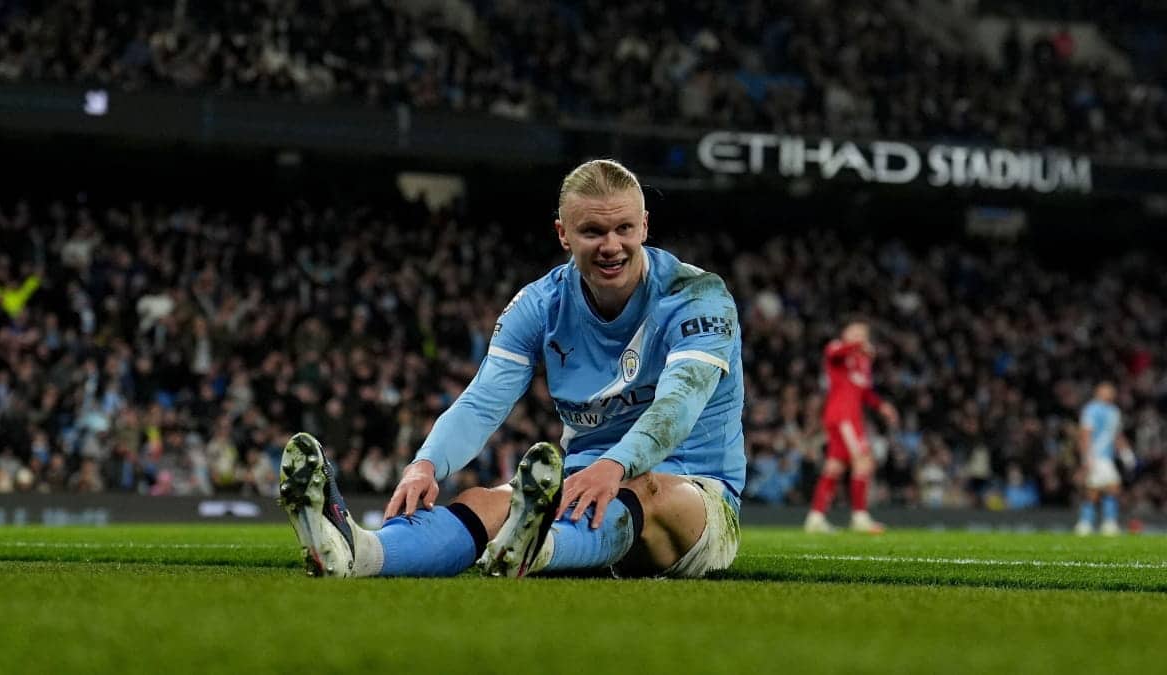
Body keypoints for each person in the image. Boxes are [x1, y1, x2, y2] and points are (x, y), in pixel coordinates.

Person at [278, 158, 746, 578]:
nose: (611, 245)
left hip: (695, 492)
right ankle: (359, 553)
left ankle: (538, 546)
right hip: (582, 479)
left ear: (644, 226)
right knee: (483, 502)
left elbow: (677, 405)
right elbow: (483, 401)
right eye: (592, 232)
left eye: (624, 228)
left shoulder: (697, 297)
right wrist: (425, 464)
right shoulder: (539, 304)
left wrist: (615, 465)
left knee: (646, 491)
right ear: (563, 233)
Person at [804, 321, 898, 533]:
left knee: (834, 467)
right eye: (854, 332)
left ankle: (815, 518)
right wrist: (858, 346)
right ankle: (860, 517)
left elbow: (863, 392)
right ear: (844, 333)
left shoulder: (863, 362)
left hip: (850, 417)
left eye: (863, 333)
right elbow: (833, 354)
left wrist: (882, 406)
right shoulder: (837, 348)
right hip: (843, 417)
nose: (859, 336)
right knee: (863, 461)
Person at [1075, 382, 1126, 536]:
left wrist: (1126, 453)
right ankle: (1097, 523)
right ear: (1098, 392)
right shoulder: (1091, 409)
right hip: (1096, 455)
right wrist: (1087, 457)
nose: (1109, 394)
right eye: (1105, 391)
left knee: (1101, 489)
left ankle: (1089, 523)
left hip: (1107, 457)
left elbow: (1116, 435)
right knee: (1107, 488)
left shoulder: (1114, 411)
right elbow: (1085, 434)